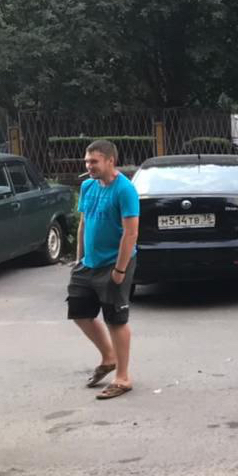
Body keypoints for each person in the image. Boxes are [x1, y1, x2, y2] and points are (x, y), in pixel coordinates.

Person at [69, 140, 140, 400]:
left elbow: (131, 233)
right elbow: (83, 224)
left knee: (115, 319)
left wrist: (120, 271)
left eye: (94, 161)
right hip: (88, 263)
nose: (89, 166)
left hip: (115, 263)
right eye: (87, 162)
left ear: (110, 160)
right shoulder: (88, 185)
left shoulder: (125, 190)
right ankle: (108, 356)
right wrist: (79, 259)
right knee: (79, 312)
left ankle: (123, 377)